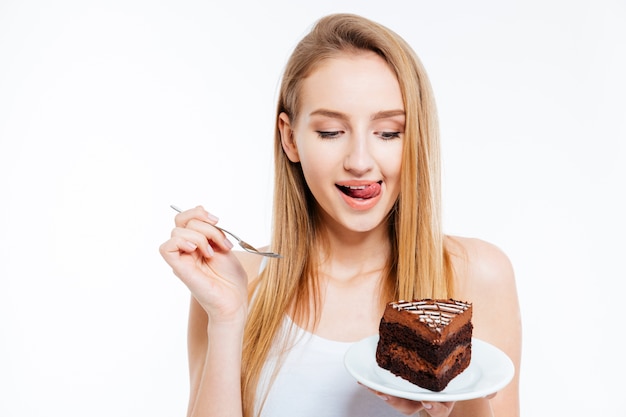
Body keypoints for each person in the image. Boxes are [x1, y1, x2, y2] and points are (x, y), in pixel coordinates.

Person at [159, 13, 521, 417]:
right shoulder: (237, 282)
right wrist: (226, 318)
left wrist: (447, 408)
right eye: (331, 131)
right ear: (290, 138)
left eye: (388, 132)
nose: (360, 161)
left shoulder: (478, 274)